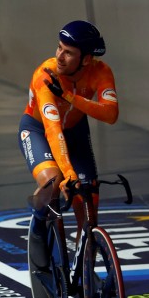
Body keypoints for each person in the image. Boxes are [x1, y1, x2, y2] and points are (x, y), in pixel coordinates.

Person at [18, 21, 118, 265]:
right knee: (53, 182)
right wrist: (68, 173)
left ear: (85, 59)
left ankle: (85, 275)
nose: (60, 56)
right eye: (59, 48)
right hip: (38, 131)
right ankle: (39, 228)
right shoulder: (46, 76)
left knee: (88, 207)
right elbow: (53, 131)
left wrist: (71, 97)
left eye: (69, 52)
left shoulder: (101, 71)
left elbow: (111, 114)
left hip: (75, 132)